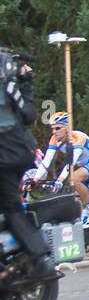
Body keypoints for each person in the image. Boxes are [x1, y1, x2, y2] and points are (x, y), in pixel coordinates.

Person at [0, 48, 60, 282]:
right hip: (19, 150)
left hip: (7, 153)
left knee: (11, 207)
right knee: (12, 208)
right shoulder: (9, 85)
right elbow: (27, 114)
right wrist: (24, 81)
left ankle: (41, 259)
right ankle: (41, 258)